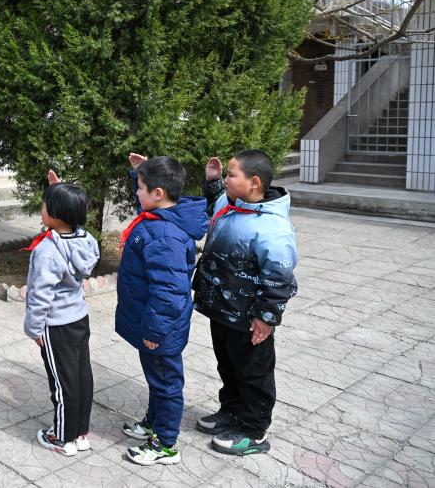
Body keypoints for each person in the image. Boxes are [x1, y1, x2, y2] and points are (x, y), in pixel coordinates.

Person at [193, 149, 298, 456]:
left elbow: (279, 276)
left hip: (249, 318)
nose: (227, 179)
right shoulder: (230, 204)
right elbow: (215, 205)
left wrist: (267, 317)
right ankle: (231, 411)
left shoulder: (274, 228)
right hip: (221, 308)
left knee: (254, 373)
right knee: (227, 364)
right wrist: (213, 183)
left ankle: (253, 430)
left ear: (254, 182)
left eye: (231, 175)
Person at [115, 154, 207, 466]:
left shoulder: (165, 235)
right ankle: (153, 423)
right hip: (152, 324)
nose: (136, 193)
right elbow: (145, 198)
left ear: (158, 193)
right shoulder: (160, 218)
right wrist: (138, 172)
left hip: (161, 329)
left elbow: (169, 293)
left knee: (166, 384)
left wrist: (154, 331)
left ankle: (166, 444)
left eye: (140, 188)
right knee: (156, 378)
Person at [24, 181, 100, 457]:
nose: (41, 209)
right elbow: (76, 233)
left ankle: (63, 437)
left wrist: (34, 328)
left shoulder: (47, 251)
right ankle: (80, 433)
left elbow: (40, 294)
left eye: (45, 206)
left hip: (56, 325)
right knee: (81, 377)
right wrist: (60, 192)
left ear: (56, 214)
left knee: (62, 383)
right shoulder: (84, 241)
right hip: (79, 319)